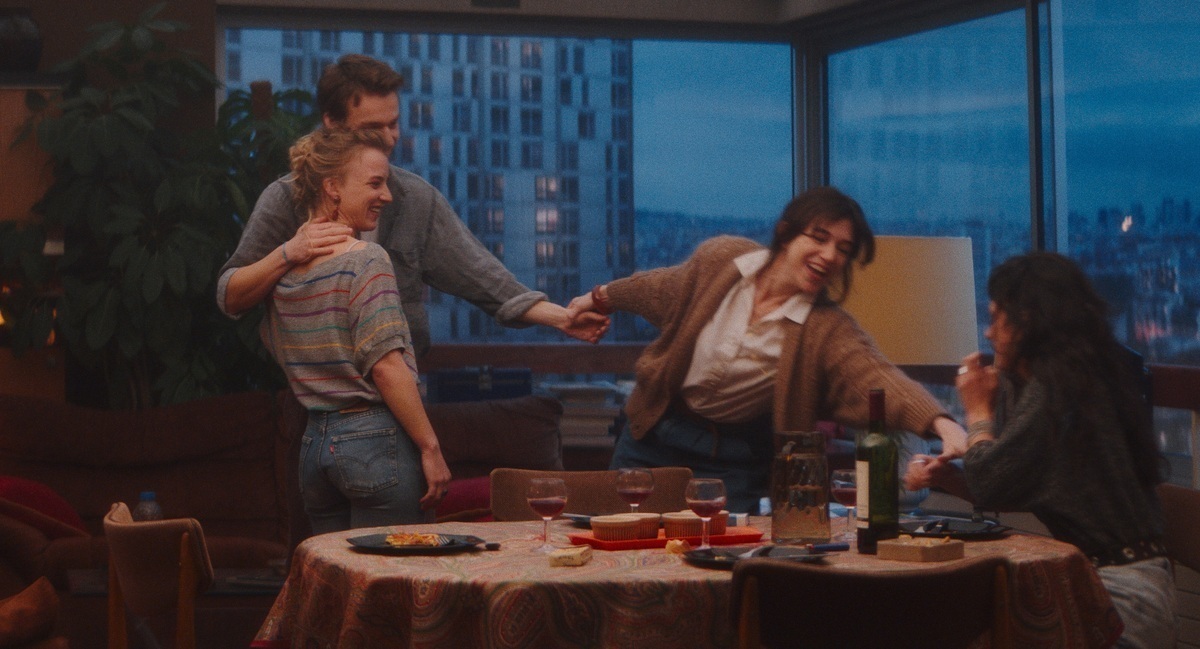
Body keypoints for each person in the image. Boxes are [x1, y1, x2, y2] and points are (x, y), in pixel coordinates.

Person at [567, 187, 968, 513]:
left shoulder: (826, 328)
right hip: (649, 438)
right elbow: (660, 287)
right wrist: (597, 299)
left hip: (731, 464)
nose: (830, 255)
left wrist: (944, 426)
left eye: (843, 249)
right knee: (619, 539)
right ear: (785, 233)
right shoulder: (721, 261)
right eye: (819, 238)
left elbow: (876, 375)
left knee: (717, 568)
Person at [217, 54, 607, 355]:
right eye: (373, 128)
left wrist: (562, 318)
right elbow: (230, 294)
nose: (389, 138)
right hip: (315, 398)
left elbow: (486, 280)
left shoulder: (414, 198)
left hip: (398, 391)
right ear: (332, 124)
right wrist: (289, 253)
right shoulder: (287, 197)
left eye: (394, 124)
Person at [905, 252, 1176, 648]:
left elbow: (991, 480)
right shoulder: (1075, 376)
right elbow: (1010, 483)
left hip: (1122, 597)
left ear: (1027, 321)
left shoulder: (1058, 390)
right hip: (1111, 581)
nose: (988, 333)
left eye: (996, 319)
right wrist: (950, 478)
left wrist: (977, 411)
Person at [263, 127, 450, 533]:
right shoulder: (366, 260)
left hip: (314, 447)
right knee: (396, 569)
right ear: (332, 187)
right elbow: (385, 366)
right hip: (375, 443)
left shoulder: (283, 275)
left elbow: (275, 346)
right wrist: (430, 447)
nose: (388, 196)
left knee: (339, 571)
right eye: (375, 183)